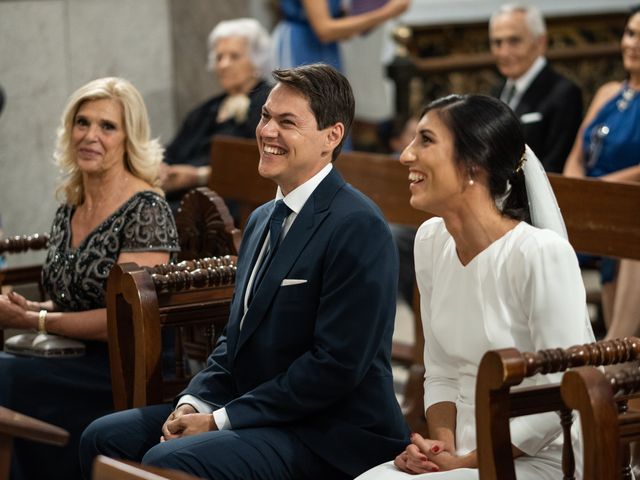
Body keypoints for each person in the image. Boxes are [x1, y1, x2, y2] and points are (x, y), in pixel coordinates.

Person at [80, 63, 410, 480]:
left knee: (168, 461)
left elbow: (336, 368)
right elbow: (234, 341)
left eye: (286, 122)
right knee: (102, 437)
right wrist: (193, 403)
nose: (267, 131)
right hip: (257, 409)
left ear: (333, 136)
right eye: (266, 116)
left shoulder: (358, 225)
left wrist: (220, 421)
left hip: (330, 432)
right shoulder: (261, 219)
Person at [355, 94, 595, 480]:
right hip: (463, 449)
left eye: (426, 140)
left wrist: (470, 461)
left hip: (539, 455)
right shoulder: (431, 240)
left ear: (474, 165)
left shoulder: (540, 253)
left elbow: (559, 392)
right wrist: (438, 450)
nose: (406, 156)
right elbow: (441, 369)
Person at [0, 77, 179, 480]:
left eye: (107, 126)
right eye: (82, 123)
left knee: (6, 374)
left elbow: (126, 321)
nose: (90, 136)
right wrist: (29, 307)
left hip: (124, 366)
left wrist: (34, 320)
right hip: (69, 350)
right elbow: (69, 300)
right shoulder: (71, 203)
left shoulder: (146, 209)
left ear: (128, 137)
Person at [563, 5, 640, 339]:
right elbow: (577, 153)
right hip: (587, 200)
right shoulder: (608, 92)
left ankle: (617, 346)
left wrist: (603, 189)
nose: (633, 44)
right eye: (631, 33)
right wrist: (576, 190)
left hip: (626, 204)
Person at [160, 18, 272, 211]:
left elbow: (257, 164)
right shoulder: (207, 109)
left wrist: (199, 175)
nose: (223, 64)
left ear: (257, 60)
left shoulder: (269, 104)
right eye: (219, 57)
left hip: (232, 204)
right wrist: (160, 167)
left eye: (234, 56)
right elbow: (172, 151)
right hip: (184, 198)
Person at [489, 3, 583, 173]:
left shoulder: (564, 94)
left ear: (540, 42)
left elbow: (555, 164)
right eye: (497, 42)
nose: (503, 52)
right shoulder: (496, 92)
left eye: (514, 41)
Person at [273, 0, 411, 72]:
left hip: (329, 47)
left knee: (329, 106)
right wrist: (387, 12)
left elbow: (344, 27)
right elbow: (324, 30)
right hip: (301, 44)